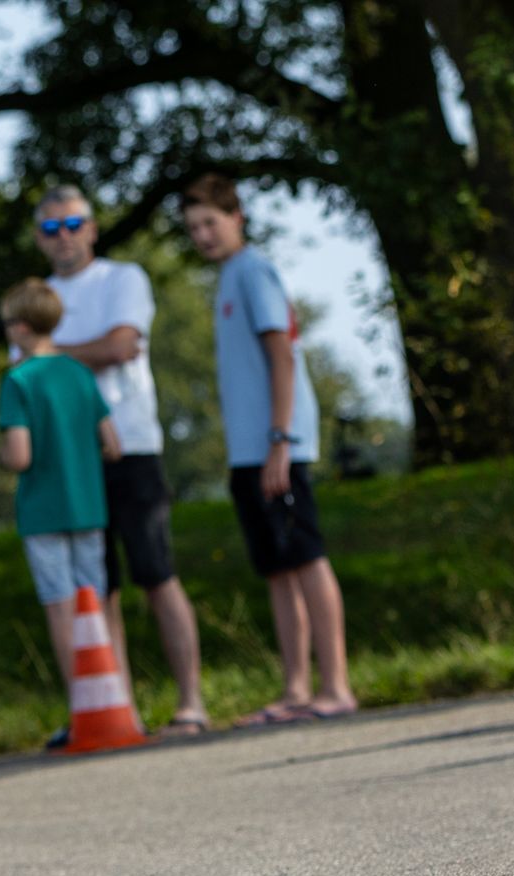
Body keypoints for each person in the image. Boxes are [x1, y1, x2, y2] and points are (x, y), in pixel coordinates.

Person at [31, 185, 208, 742]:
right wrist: (80, 353)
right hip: (71, 459)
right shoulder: (37, 297)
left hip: (130, 446)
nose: (64, 237)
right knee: (95, 588)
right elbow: (37, 376)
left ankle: (192, 704)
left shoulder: (122, 279)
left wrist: (53, 354)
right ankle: (115, 710)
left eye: (73, 224)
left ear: (92, 227)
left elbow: (122, 345)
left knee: (157, 573)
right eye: (52, 228)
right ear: (40, 238)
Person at [179, 173, 357, 725]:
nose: (203, 235)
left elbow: (282, 354)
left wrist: (281, 440)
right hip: (248, 452)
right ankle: (296, 690)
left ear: (238, 218)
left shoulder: (254, 271)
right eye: (193, 228)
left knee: (306, 557)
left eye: (211, 222)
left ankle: (337, 687)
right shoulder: (228, 277)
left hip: (277, 444)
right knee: (278, 568)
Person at [0, 279, 123, 727]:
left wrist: (1, 453)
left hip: (43, 511)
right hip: (88, 506)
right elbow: (113, 444)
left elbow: (19, 455)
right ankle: (115, 702)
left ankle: (82, 709)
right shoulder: (78, 373)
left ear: (22, 327)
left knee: (61, 606)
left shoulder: (18, 380)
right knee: (96, 602)